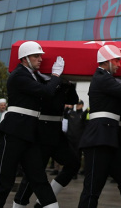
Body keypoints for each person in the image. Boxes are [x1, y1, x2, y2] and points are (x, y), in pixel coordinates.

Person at [0, 41, 65, 208]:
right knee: (4, 181)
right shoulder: (19, 75)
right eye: (36, 56)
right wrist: (56, 76)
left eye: (40, 56)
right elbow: (46, 92)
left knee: (38, 178)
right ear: (24, 59)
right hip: (14, 132)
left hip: (30, 133)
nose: (40, 59)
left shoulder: (33, 76)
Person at [78, 44, 121, 208]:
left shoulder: (112, 82)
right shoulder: (101, 77)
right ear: (106, 61)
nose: (119, 65)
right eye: (116, 60)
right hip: (98, 140)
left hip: (112, 141)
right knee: (93, 187)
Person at [14, 78, 80, 207]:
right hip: (41, 133)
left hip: (56, 133)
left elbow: (73, 100)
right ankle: (18, 204)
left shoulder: (62, 83)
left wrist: (69, 85)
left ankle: (41, 202)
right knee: (34, 174)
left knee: (73, 164)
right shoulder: (40, 80)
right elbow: (51, 99)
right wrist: (57, 80)